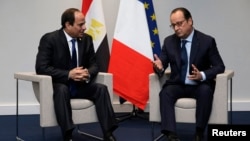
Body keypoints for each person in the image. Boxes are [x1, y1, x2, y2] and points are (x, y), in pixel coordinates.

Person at [35, 8, 118, 141]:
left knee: (101, 89)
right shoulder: (50, 39)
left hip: (80, 85)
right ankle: (68, 135)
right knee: (62, 90)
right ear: (68, 25)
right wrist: (69, 74)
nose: (84, 28)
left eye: (84, 23)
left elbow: (94, 65)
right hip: (60, 85)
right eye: (80, 25)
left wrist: (87, 73)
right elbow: (41, 68)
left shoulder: (87, 40)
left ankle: (108, 134)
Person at [152, 7, 225, 141]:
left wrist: (202, 75)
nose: (176, 28)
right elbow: (162, 63)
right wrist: (159, 67)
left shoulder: (206, 41)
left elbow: (220, 66)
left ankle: (199, 131)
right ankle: (171, 134)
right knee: (165, 93)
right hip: (178, 84)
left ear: (190, 21)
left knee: (205, 92)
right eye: (173, 25)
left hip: (199, 85)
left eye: (179, 23)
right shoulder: (169, 42)